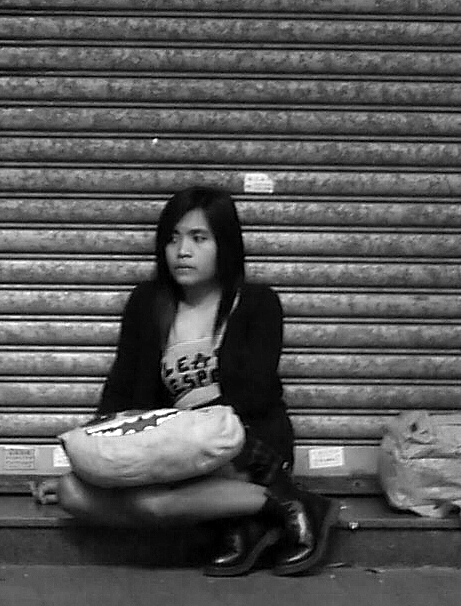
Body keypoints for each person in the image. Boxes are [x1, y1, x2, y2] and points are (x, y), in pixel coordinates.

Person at [56, 185, 338, 577]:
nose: (181, 251)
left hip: (244, 444)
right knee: (71, 492)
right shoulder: (147, 304)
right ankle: (254, 515)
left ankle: (279, 505)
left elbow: (253, 396)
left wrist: (182, 429)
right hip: (176, 449)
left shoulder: (257, 303)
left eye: (198, 238)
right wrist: (94, 458)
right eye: (172, 239)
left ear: (225, 245)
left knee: (152, 502)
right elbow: (122, 390)